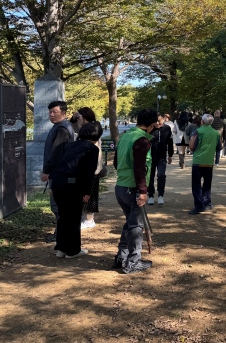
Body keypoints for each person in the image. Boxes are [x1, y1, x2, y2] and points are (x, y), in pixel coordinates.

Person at [112, 108, 158, 274]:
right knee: (136, 226)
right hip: (133, 189)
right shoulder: (142, 141)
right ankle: (133, 261)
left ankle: (122, 257)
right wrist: (143, 191)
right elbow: (140, 168)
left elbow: (116, 162)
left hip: (121, 186)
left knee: (130, 223)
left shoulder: (125, 137)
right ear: (151, 125)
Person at [47, 122, 102, 258]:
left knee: (63, 216)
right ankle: (73, 250)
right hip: (73, 185)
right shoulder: (92, 149)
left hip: (58, 183)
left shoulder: (69, 145)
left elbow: (55, 162)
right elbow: (88, 172)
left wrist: (52, 185)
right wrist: (87, 192)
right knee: (74, 218)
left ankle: (61, 248)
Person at [41, 100, 75, 242]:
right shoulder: (61, 126)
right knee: (60, 205)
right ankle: (61, 233)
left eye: (54, 112)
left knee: (58, 205)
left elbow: (56, 153)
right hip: (60, 174)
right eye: (50, 112)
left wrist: (47, 171)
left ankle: (61, 235)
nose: (51, 115)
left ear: (64, 113)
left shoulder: (62, 129)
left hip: (59, 174)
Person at [72, 107, 104, 229]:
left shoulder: (93, 128)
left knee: (91, 193)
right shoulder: (85, 128)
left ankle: (89, 219)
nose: (78, 119)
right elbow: (73, 129)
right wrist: (73, 119)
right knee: (85, 193)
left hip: (92, 168)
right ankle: (85, 218)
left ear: (85, 117)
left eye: (79, 117)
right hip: (85, 167)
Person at [188, 113, 221, 215]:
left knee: (196, 185)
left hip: (198, 161)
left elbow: (192, 146)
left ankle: (199, 206)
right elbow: (219, 147)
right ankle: (207, 203)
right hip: (209, 162)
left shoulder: (198, 131)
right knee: (207, 184)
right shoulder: (216, 133)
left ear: (202, 121)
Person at [147, 113, 173, 206]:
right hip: (150, 157)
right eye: (156, 121)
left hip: (162, 156)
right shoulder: (150, 129)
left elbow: (170, 142)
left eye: (159, 121)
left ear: (163, 120)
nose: (157, 123)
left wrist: (170, 155)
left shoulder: (167, 128)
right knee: (150, 176)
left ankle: (160, 194)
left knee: (161, 175)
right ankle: (150, 195)